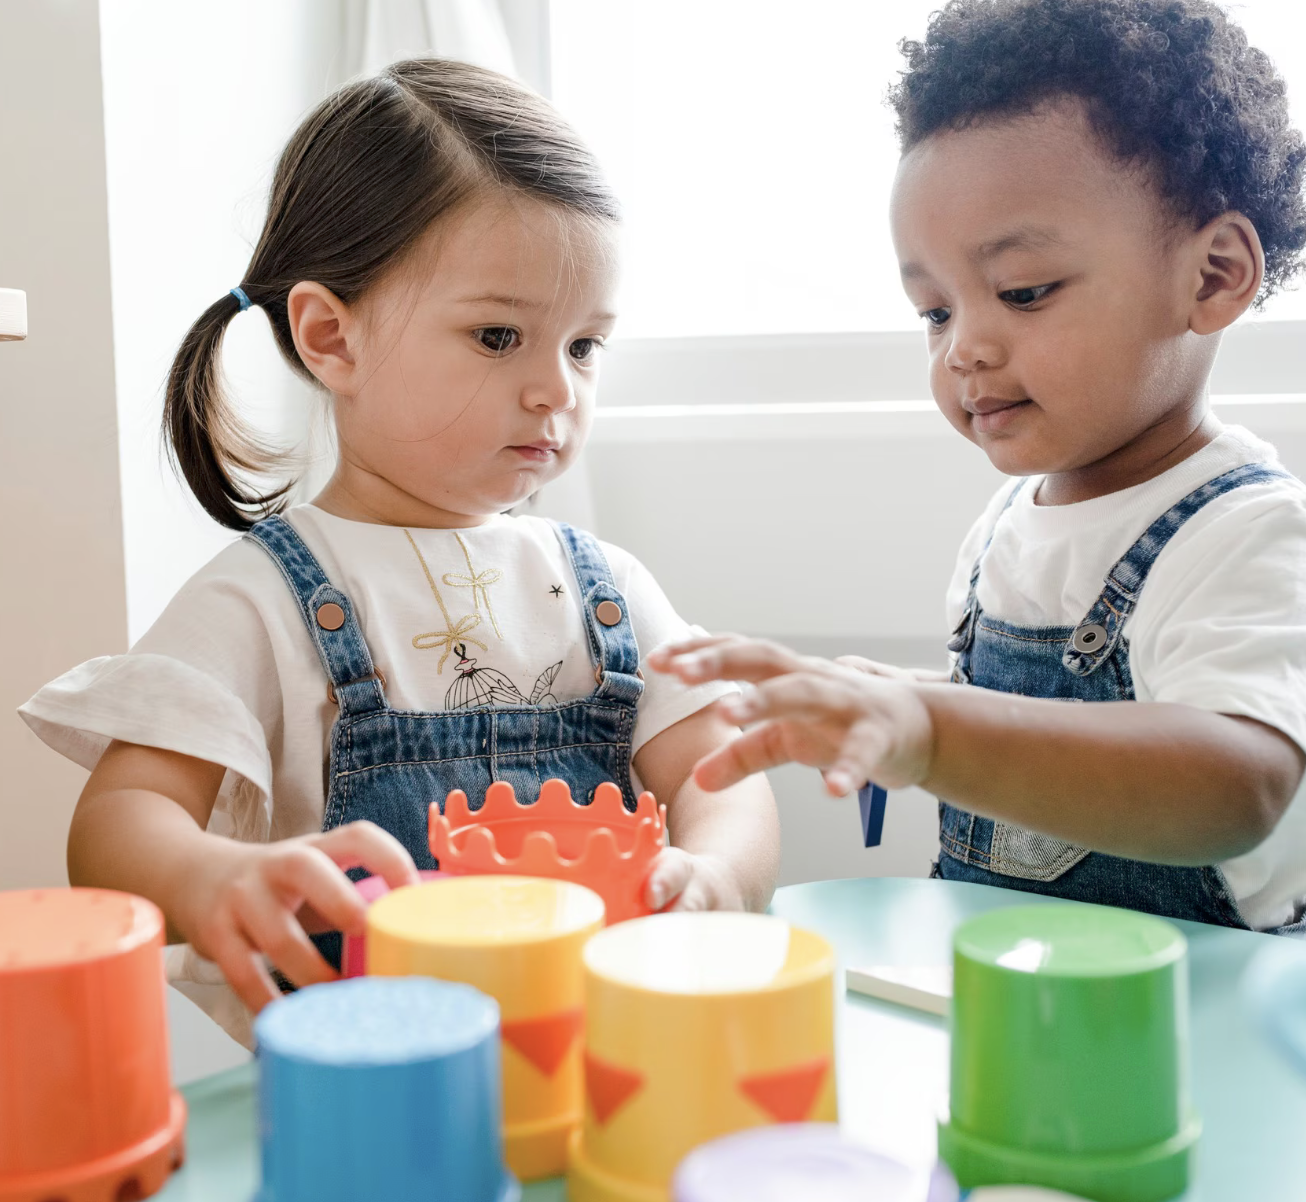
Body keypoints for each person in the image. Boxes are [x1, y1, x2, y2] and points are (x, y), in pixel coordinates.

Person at [20, 59, 778, 1044]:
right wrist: (214, 876)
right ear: (332, 337)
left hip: (598, 1063)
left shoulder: (607, 588)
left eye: (585, 345)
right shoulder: (263, 598)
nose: (558, 389)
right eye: (499, 335)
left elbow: (722, 773)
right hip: (367, 1087)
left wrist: (717, 873)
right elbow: (119, 821)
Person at [653, 0, 1306, 942]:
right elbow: (1042, 728)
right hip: (1032, 1026)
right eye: (933, 311)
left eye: (1024, 292)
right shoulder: (1007, 526)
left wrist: (935, 729)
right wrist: (900, 705)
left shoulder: (1256, 539)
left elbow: (1236, 783)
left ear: (1211, 276)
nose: (964, 348)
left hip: (1215, 1044)